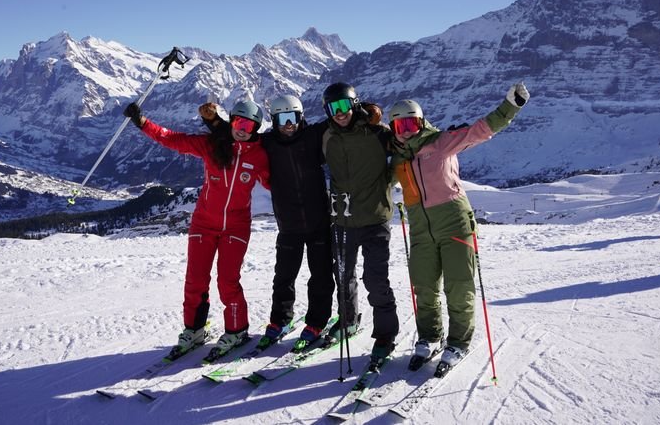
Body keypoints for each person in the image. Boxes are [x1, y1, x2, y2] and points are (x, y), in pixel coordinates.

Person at [388, 83, 529, 371]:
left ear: (421, 121)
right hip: (420, 230)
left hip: (454, 222)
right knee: (424, 288)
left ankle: (458, 342)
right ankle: (429, 339)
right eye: (399, 125)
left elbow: (480, 130)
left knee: (459, 286)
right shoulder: (397, 160)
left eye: (411, 123)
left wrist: (510, 107)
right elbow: (375, 183)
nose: (406, 131)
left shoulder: (441, 142)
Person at [123, 99, 270, 356]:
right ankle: (194, 329)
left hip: (236, 226)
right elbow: (174, 140)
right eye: (238, 121)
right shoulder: (211, 144)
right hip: (203, 223)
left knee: (228, 280)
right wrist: (143, 123)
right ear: (231, 121)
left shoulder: (259, 155)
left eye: (248, 124)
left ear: (256, 128)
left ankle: (237, 331)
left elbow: (276, 182)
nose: (242, 128)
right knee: (195, 280)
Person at [199, 95, 335, 351]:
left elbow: (340, 121)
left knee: (321, 276)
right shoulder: (268, 143)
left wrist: (367, 113)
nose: (288, 125)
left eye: (293, 118)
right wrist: (214, 121)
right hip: (289, 223)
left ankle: (317, 322)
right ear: (273, 120)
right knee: (283, 277)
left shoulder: (313, 136)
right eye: (282, 119)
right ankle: (280, 320)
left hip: (319, 221)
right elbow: (239, 133)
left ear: (301, 117)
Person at [321, 82, 399, 362]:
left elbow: (405, 145)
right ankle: (348, 320)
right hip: (342, 220)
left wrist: (388, 181)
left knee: (375, 279)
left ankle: (386, 334)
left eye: (344, 106)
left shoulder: (378, 133)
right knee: (343, 275)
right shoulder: (327, 135)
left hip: (375, 218)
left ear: (355, 105)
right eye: (333, 108)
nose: (340, 113)